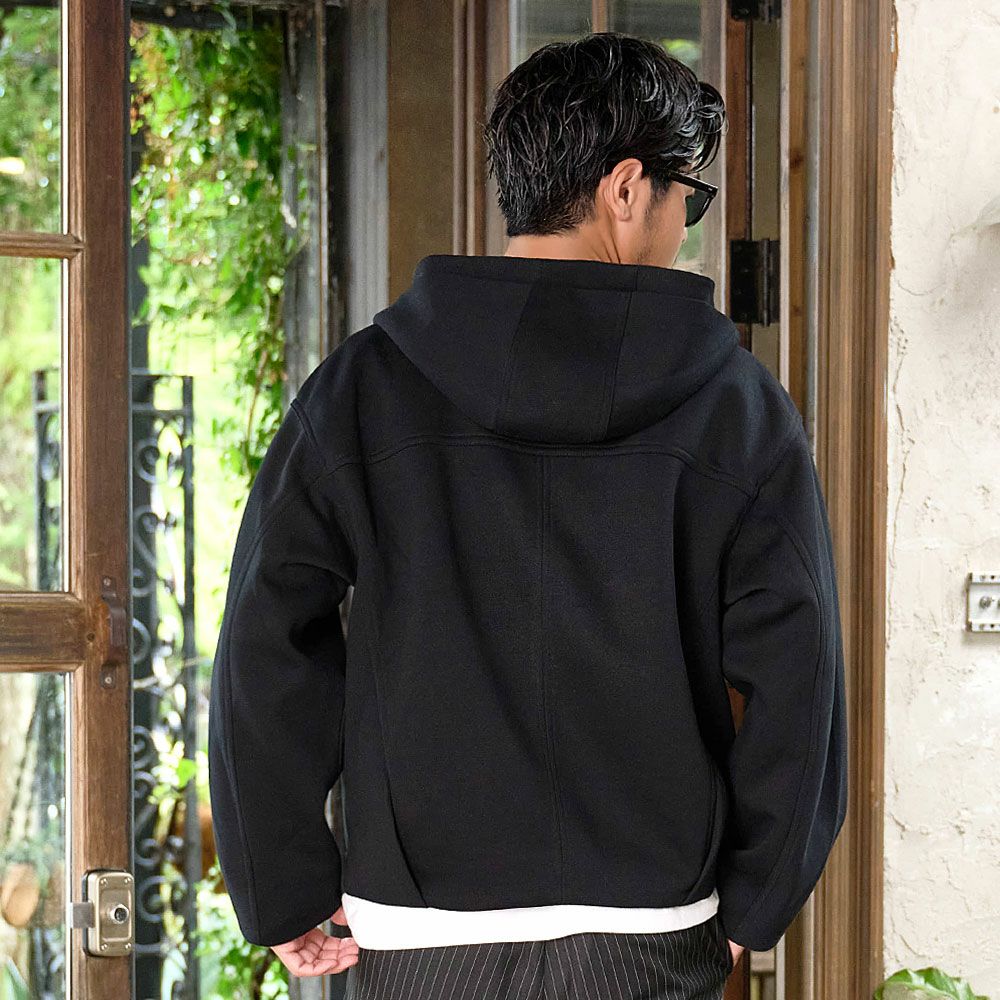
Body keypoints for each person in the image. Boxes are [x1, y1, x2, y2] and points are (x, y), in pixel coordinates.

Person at [207, 30, 849, 999]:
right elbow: (801, 678)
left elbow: (265, 631)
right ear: (625, 190)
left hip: (420, 931)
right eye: (689, 199)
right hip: (650, 926)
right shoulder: (741, 411)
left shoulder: (362, 390)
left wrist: (281, 882)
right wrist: (755, 903)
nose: (686, 228)